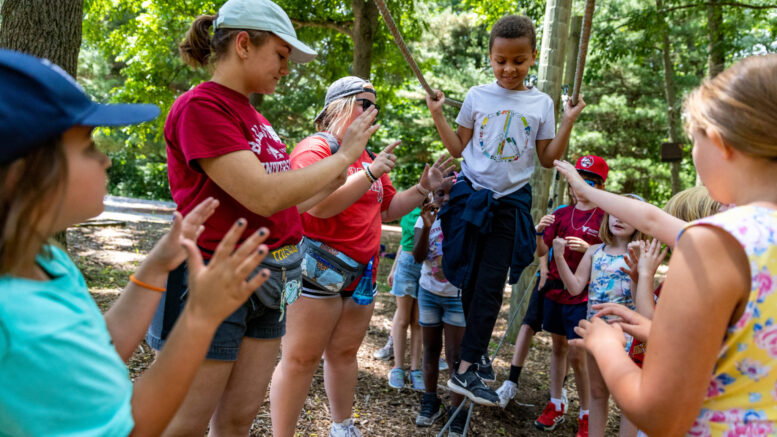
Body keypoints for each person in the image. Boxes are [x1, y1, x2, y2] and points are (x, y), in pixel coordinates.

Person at [0, 49, 272, 436]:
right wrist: (200, 317)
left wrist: (157, 265)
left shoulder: (43, 259)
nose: (105, 161)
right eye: (88, 147)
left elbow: (101, 348)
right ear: (24, 174)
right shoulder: (21, 323)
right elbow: (133, 429)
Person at [145, 1, 378, 435]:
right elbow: (260, 195)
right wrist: (344, 157)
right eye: (282, 56)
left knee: (237, 420)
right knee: (188, 423)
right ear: (244, 44)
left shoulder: (257, 119)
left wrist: (339, 178)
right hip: (218, 275)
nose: (286, 70)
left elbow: (290, 206)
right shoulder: (202, 107)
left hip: (272, 280)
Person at [571, 54, 777, 436]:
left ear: (718, 142)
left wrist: (606, 346)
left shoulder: (713, 244)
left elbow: (661, 415)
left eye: (694, 141)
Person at [270, 76, 454, 437]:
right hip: (315, 271)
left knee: (343, 354)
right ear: (336, 107)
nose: (371, 111)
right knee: (300, 359)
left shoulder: (367, 156)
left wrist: (422, 189)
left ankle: (342, 427)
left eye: (375, 105)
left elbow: (387, 209)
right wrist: (368, 170)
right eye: (362, 103)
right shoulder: (315, 149)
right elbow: (318, 207)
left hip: (360, 277)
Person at [425, 14, 586, 407]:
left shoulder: (541, 103)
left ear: (532, 57)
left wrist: (567, 121)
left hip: (510, 200)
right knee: (467, 275)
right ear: (491, 58)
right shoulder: (478, 96)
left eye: (518, 60)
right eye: (500, 60)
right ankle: (475, 355)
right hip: (471, 195)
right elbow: (458, 149)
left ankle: (464, 369)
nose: (508, 69)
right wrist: (437, 114)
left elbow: (548, 158)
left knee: (493, 283)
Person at [553, 196, 646, 437]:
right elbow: (574, 287)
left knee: (628, 400)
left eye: (627, 215)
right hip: (595, 332)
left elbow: (640, 302)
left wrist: (638, 275)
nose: (619, 219)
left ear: (638, 222)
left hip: (627, 336)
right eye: (615, 212)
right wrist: (560, 257)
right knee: (596, 392)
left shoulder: (639, 255)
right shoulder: (595, 251)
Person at [530, 156, 608, 436]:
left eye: (590, 182)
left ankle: (587, 413)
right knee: (558, 347)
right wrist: (539, 232)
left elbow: (610, 255)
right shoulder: (562, 214)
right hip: (555, 290)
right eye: (578, 179)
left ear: (600, 185)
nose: (581, 187)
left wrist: (589, 247)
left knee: (578, 351)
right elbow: (541, 251)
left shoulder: (605, 217)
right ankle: (555, 404)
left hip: (585, 295)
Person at [496, 194, 582, 410]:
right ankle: (511, 381)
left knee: (564, 341)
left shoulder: (598, 216)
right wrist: (543, 268)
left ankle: (559, 389)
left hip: (575, 286)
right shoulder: (561, 210)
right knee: (527, 325)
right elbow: (544, 242)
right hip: (548, 279)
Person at [412, 180, 468, 436]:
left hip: (457, 296)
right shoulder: (425, 220)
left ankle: (457, 411)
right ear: (432, 195)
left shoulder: (466, 221)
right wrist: (426, 226)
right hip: (429, 293)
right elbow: (417, 256)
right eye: (439, 193)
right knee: (430, 349)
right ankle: (430, 401)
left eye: (450, 194)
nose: (444, 199)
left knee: (456, 355)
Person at [386, 207, 424, 389]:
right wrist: (394, 269)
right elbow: (405, 241)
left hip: (427, 268)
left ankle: (416, 369)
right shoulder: (413, 207)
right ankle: (398, 368)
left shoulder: (442, 207)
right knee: (403, 319)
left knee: (418, 322)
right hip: (407, 265)